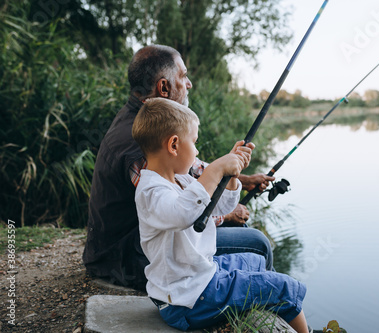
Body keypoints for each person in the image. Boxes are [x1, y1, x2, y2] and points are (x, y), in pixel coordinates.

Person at [83, 45, 275, 290]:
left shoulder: (146, 121)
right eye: (183, 76)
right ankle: (271, 306)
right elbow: (175, 212)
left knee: (241, 231)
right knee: (257, 243)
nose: (189, 84)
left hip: (142, 243)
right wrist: (224, 216)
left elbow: (193, 170)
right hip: (126, 257)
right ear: (164, 87)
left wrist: (241, 177)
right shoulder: (136, 144)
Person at [132, 98, 308, 332]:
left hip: (196, 281)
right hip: (189, 300)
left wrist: (232, 173)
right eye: (194, 142)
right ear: (174, 145)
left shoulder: (181, 180)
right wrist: (215, 169)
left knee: (257, 261)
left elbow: (222, 205)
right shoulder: (151, 191)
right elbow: (181, 213)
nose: (197, 150)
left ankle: (273, 304)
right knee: (285, 287)